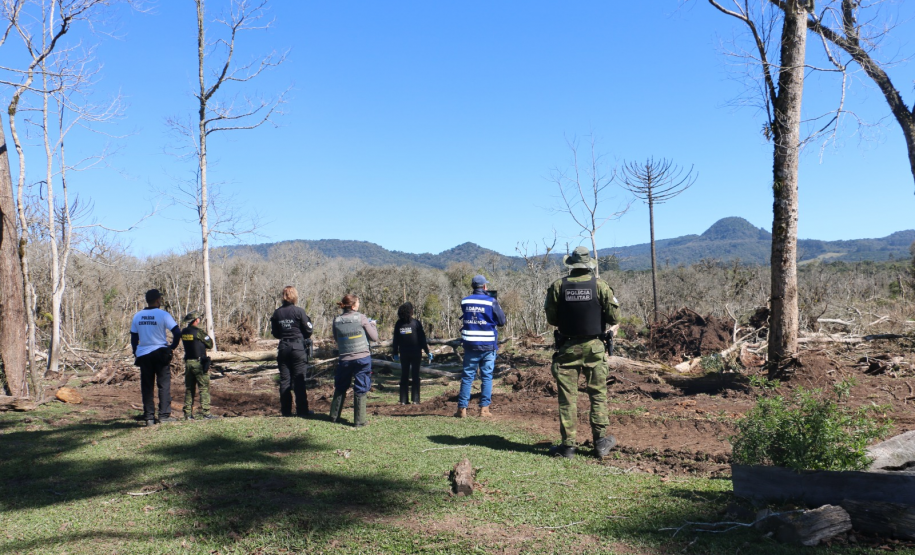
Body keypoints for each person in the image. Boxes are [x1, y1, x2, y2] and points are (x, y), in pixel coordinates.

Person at [544, 246, 621, 459]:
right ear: (589, 265)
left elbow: (552, 319)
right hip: (594, 348)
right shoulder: (601, 286)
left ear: (571, 265)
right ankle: (600, 442)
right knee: (598, 395)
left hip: (567, 348)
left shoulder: (558, 286)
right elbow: (614, 318)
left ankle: (568, 446)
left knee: (567, 398)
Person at [455, 275, 506, 418]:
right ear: (484, 287)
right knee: (487, 377)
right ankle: (484, 409)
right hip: (488, 345)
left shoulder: (465, 301)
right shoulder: (491, 301)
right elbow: (501, 321)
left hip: (470, 344)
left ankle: (462, 410)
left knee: (467, 377)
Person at [130, 289, 181, 426]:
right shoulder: (163, 315)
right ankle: (164, 415)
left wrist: (136, 351)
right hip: (160, 352)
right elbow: (177, 332)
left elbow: (134, 337)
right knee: (163, 385)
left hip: (144, 354)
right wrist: (172, 347)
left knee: (147, 386)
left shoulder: (137, 316)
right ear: (158, 300)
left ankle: (149, 417)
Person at [329, 293, 378, 427]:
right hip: (362, 357)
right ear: (354, 305)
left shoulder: (337, 320)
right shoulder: (361, 318)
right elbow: (374, 337)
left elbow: (337, 338)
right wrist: (372, 324)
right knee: (361, 386)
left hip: (345, 358)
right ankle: (360, 420)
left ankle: (334, 416)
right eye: (358, 302)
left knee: (340, 386)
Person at [270, 286, 315, 418]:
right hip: (297, 348)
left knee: (285, 380)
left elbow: (276, 333)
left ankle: (286, 411)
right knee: (299, 379)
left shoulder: (277, 313)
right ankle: (302, 410)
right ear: (294, 296)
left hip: (283, 348)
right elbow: (308, 331)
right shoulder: (299, 311)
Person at [391, 302, 432, 405]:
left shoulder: (399, 324)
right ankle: (416, 400)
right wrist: (427, 351)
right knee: (415, 375)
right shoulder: (416, 323)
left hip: (404, 353)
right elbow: (422, 339)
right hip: (415, 353)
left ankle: (403, 400)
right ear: (410, 311)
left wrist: (395, 352)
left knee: (404, 375)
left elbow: (396, 340)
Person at [180, 311, 216, 420]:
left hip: (188, 363)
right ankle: (206, 413)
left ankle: (187, 414)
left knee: (189, 389)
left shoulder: (184, 332)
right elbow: (210, 344)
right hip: (198, 363)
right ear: (196, 320)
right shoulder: (198, 332)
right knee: (204, 388)